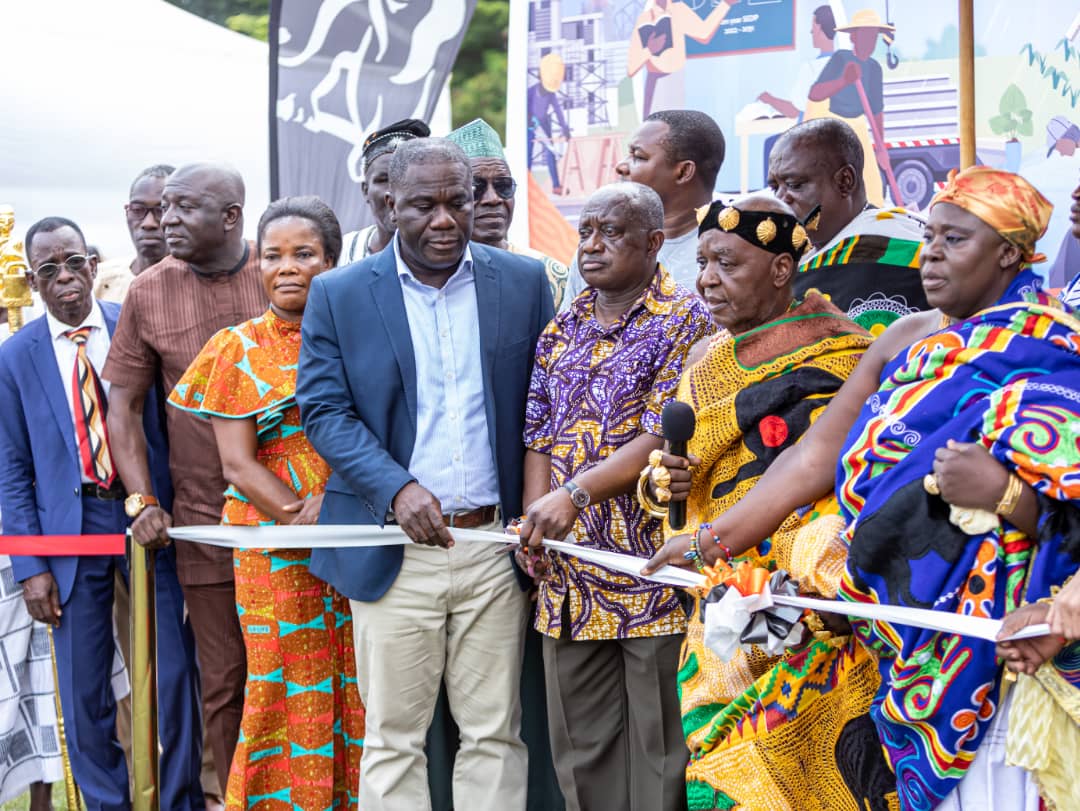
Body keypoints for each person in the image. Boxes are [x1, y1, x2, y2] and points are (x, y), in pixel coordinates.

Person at [645, 166, 1080, 810]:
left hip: (1018, 633)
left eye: (955, 240)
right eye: (929, 237)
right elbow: (812, 459)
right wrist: (712, 540)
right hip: (904, 632)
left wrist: (1002, 494)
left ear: (1010, 253)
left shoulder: (1057, 348)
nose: (931, 255)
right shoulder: (905, 338)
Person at [296, 137, 554, 811]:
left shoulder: (523, 283)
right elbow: (324, 412)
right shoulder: (339, 294)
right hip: (393, 549)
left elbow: (545, 406)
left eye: (457, 202)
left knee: (495, 732)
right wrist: (397, 488)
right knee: (393, 738)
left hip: (493, 547)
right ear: (389, 205)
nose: (444, 219)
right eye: (423, 205)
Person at [637, 194, 888, 810]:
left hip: (805, 600)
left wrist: (800, 571)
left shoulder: (848, 352)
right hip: (718, 599)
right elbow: (672, 475)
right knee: (719, 767)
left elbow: (840, 476)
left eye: (726, 263)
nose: (707, 279)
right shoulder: (705, 361)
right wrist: (664, 482)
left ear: (780, 269)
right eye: (702, 262)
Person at [517, 182, 713, 811]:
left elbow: (662, 433)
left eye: (611, 233)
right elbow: (537, 435)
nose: (592, 246)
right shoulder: (563, 326)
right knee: (583, 751)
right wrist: (534, 524)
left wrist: (574, 494)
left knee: (662, 752)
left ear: (654, 243)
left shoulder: (687, 320)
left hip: (650, 571)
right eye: (586, 232)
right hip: (570, 577)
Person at [0, 217, 204, 811]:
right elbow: (11, 470)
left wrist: (165, 504)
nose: (65, 277)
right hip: (71, 531)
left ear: (92, 265)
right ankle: (108, 803)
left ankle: (179, 799)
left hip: (145, 517)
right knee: (84, 686)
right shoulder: (15, 358)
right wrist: (30, 566)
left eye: (74, 262)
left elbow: (167, 428)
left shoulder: (130, 325)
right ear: (33, 282)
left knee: (173, 673)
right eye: (48, 269)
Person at [169, 197, 364, 811]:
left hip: (357, 529)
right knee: (284, 682)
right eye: (273, 256)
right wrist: (304, 516)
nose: (287, 268)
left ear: (331, 262)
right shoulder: (237, 346)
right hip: (274, 542)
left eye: (304, 254)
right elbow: (236, 463)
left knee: (357, 678)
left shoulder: (359, 336)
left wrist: (338, 508)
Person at [103, 163, 267, 795]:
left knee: (295, 668)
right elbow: (122, 408)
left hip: (296, 518)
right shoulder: (148, 292)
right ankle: (231, 799)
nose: (164, 221)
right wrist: (142, 499)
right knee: (223, 680)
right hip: (204, 522)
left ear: (231, 217)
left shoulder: (280, 271)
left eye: (183, 207)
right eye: (162, 207)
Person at [768, 117, 928, 335]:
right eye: (775, 188)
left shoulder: (888, 249)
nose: (780, 200)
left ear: (845, 181)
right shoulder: (802, 255)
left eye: (794, 185)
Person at [563, 109, 727, 306]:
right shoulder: (597, 246)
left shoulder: (736, 244)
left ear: (684, 171)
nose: (621, 167)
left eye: (638, 157)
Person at [448, 117, 570, 309]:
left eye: (503, 186)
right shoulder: (431, 278)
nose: (493, 199)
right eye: (476, 188)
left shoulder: (551, 275)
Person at [807, 8, 896, 206]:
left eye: (873, 36)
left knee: (872, 188)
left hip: (858, 127)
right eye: (865, 35)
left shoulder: (874, 68)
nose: (870, 41)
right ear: (853, 37)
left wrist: (881, 148)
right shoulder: (841, 58)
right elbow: (815, 93)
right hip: (834, 127)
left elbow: (876, 110)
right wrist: (843, 80)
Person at [339, 119, 430, 265]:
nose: (394, 192)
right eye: (383, 180)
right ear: (365, 190)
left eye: (407, 177)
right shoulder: (342, 253)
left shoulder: (448, 250)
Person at [627, 0, 739, 117]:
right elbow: (631, 68)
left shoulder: (679, 10)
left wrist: (725, 5)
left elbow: (704, 33)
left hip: (676, 77)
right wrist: (649, 50)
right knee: (655, 125)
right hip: (655, 81)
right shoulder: (644, 19)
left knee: (677, 124)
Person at [94, 165, 177, 304]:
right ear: (127, 212)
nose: (148, 223)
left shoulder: (203, 283)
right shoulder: (99, 280)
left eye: (161, 210)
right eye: (138, 210)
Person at [758, 5, 836, 121]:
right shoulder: (846, 65)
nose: (811, 32)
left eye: (813, 27)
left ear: (819, 28)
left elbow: (794, 111)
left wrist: (769, 99)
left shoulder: (810, 68)